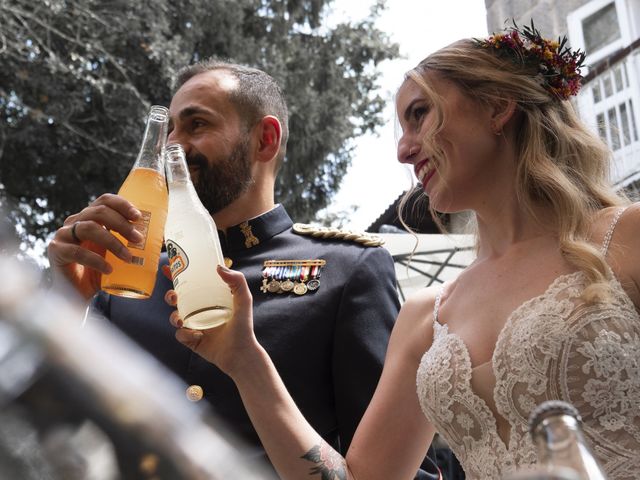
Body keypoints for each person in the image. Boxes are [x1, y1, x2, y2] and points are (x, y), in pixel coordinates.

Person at [166, 23, 640, 480]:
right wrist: (248, 364)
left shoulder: (627, 237)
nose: (404, 151)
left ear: (497, 106)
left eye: (419, 115)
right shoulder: (424, 318)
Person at [47, 60, 439, 478]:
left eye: (196, 124)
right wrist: (63, 301)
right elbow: (54, 435)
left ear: (265, 140)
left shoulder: (347, 270)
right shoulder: (122, 277)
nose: (172, 146)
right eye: (170, 131)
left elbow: (390, 470)